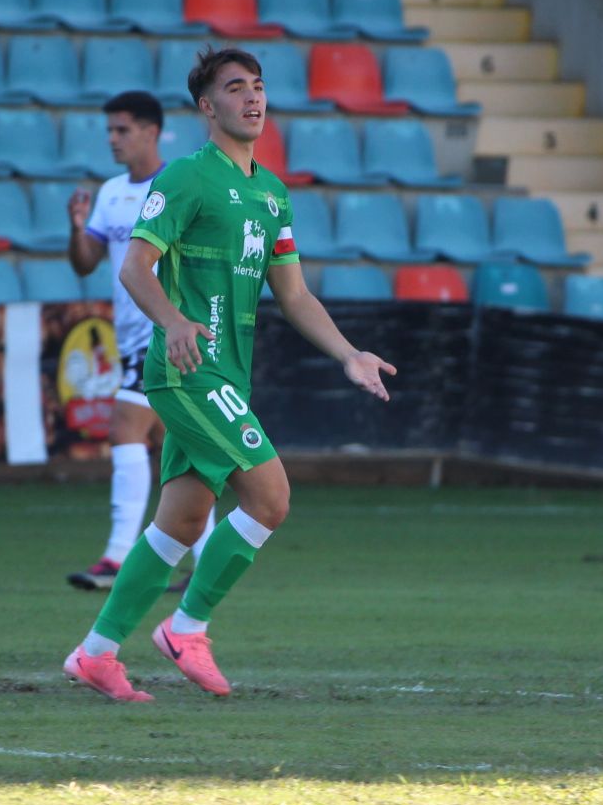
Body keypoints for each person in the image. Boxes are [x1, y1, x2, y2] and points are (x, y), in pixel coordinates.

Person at [63, 47, 395, 702]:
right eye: (236, 88)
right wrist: (176, 322)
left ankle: (95, 653)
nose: (253, 98)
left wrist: (348, 353)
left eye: (259, 87)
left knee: (181, 524)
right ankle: (186, 629)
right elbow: (135, 269)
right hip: (187, 371)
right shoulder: (186, 177)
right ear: (207, 107)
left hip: (229, 376)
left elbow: (295, 297)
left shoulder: (271, 194)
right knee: (270, 497)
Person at [64, 89, 212, 591]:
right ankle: (210, 556)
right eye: (109, 130)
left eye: (122, 130)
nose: (113, 139)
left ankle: (117, 556)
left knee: (124, 428)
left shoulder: (173, 186)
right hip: (129, 339)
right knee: (175, 447)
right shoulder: (111, 193)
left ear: (151, 131)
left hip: (163, 333)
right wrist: (78, 228)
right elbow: (86, 262)